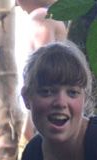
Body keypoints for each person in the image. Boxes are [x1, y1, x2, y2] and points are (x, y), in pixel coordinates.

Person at [16, 0, 67, 142]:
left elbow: (45, 70)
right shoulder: (51, 16)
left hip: (49, 110)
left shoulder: (42, 16)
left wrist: (30, 120)